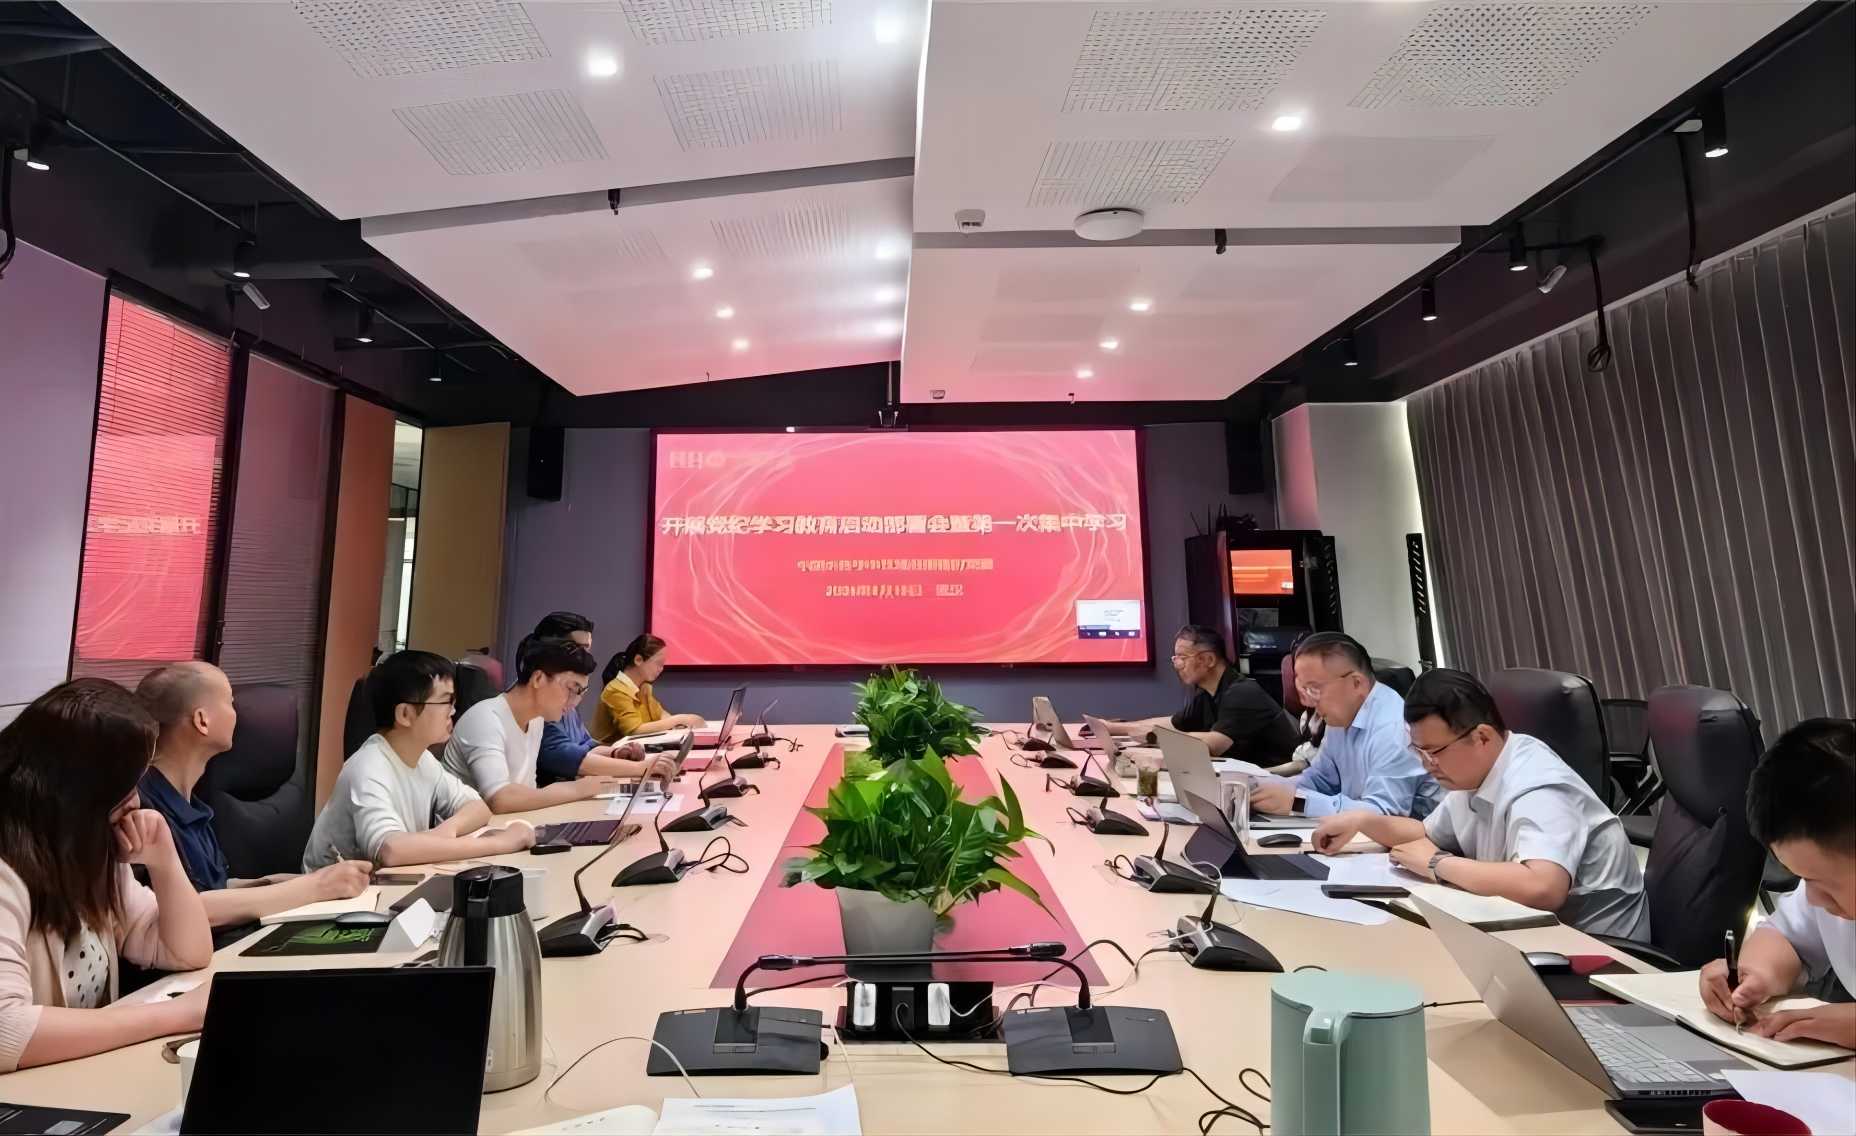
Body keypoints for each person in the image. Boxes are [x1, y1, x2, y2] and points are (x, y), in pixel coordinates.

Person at [1311, 668, 1649, 939]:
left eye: (1434, 752)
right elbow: (1424, 834)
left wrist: (1437, 864)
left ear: (1482, 736)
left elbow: (1543, 887)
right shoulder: (1472, 772)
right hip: (1530, 935)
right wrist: (1361, 821)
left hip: (1598, 956)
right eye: (1419, 751)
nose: (1427, 765)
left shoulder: (1539, 785)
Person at [0, 679, 214, 1072]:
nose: (136, 800)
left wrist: (164, 860)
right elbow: (5, 1029)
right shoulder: (7, 872)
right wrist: (178, 1015)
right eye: (126, 786)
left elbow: (186, 952)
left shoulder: (87, 852)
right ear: (80, 793)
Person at [134, 662, 372, 928]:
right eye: (230, 702)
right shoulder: (141, 808)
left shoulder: (191, 805)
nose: (237, 714)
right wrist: (316, 886)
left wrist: (298, 882)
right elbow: (182, 909)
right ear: (202, 720)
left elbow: (215, 887)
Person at [1698, 718, 1855, 1048]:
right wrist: (1755, 975)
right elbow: (1788, 937)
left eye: (1821, 882)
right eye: (1803, 878)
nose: (1812, 898)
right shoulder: (1829, 882)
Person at [304, 650, 535, 870]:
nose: (453, 711)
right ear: (405, 714)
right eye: (446, 701)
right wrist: (500, 843)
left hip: (384, 884)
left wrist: (446, 831)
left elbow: (478, 807)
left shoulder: (423, 759)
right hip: (332, 895)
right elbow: (391, 850)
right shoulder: (367, 767)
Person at [445, 636, 678, 815]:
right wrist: (582, 789)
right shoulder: (486, 719)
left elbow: (527, 792)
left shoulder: (536, 719)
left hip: (511, 829)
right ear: (538, 679)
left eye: (581, 692)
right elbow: (501, 799)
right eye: (572, 689)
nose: (574, 702)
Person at [1249, 633, 1440, 819]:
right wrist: (1266, 787)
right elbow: (1321, 779)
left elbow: (1384, 814)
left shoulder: (1393, 728)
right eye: (1303, 690)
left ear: (1356, 683)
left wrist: (1298, 803)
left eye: (1314, 689)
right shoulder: (1341, 716)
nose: (1308, 702)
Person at [1107, 624, 1298, 761]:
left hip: (1276, 784)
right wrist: (1111, 727)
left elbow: (1214, 743)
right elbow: (1172, 724)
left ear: (1209, 660)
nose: (1177, 665)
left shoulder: (1242, 693)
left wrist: (1155, 737)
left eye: (1182, 657)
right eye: (1175, 658)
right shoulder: (1206, 694)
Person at [530, 612, 664, 786]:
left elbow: (585, 744)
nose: (585, 657)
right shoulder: (540, 696)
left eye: (587, 650)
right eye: (579, 649)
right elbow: (562, 755)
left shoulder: (564, 694)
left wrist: (615, 753)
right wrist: (642, 768)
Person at [590, 634, 704, 744]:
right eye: (658, 663)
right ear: (638, 660)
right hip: (609, 753)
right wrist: (679, 720)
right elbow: (634, 730)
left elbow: (661, 715)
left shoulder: (643, 688)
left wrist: (679, 724)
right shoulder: (615, 690)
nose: (661, 669)